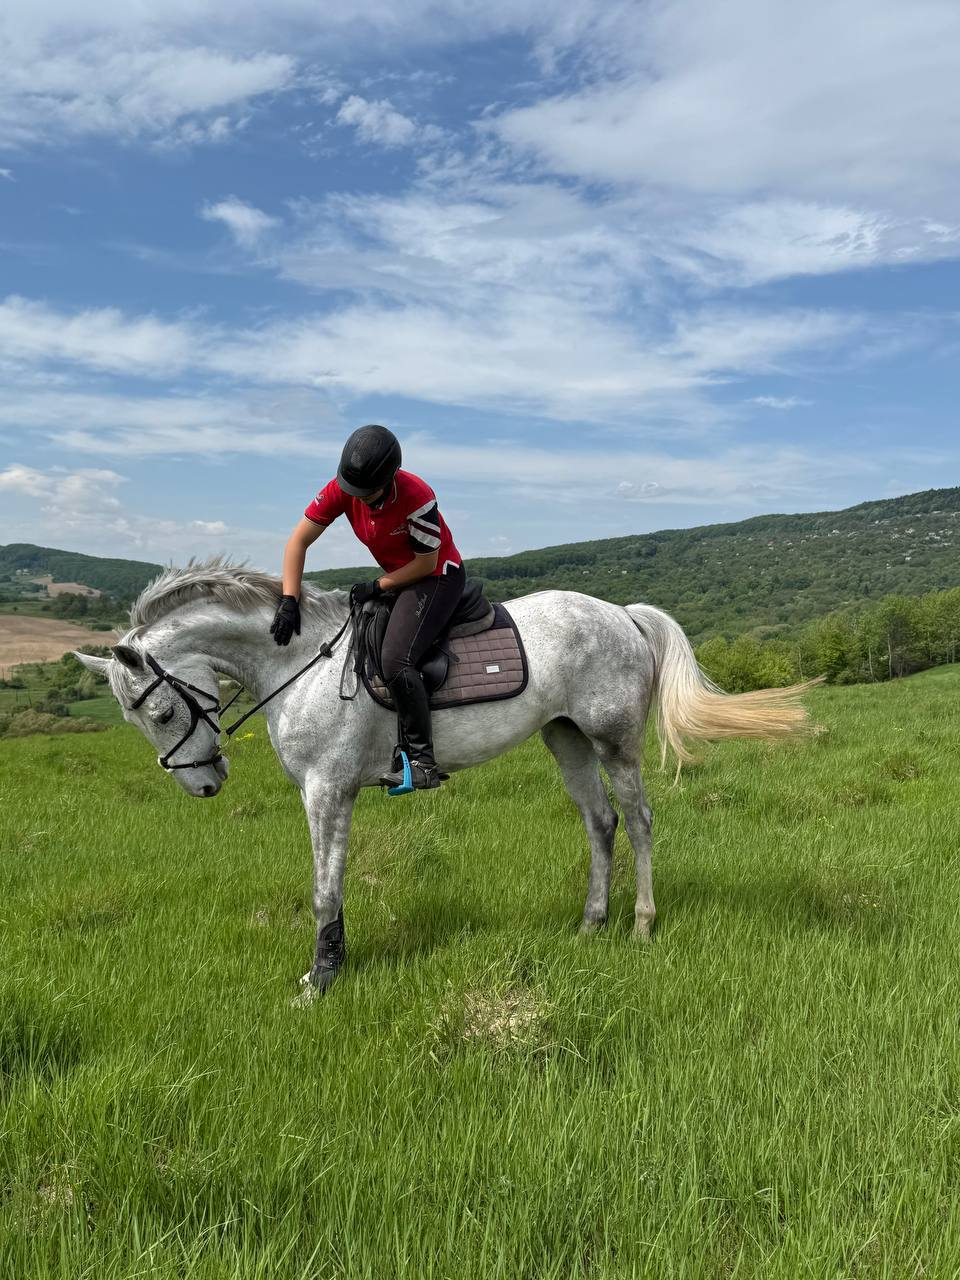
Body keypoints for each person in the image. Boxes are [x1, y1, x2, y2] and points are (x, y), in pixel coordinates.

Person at [271, 424, 465, 791]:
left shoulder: (417, 496)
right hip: (399, 577)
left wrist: (378, 585)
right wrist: (289, 599)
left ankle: (422, 761)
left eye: (368, 493)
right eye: (353, 492)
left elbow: (426, 563)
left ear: (389, 478)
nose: (359, 499)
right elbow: (298, 541)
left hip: (437, 576)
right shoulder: (344, 488)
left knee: (395, 659)